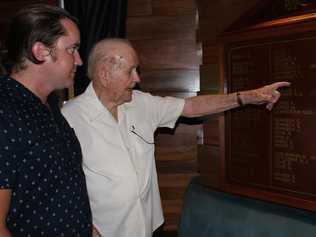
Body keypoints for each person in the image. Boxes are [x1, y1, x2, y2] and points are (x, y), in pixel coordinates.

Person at [61, 38, 290, 237]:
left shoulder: (140, 103)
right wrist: (83, 226)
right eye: (130, 70)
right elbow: (56, 187)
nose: (137, 78)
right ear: (104, 74)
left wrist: (247, 97)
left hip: (145, 229)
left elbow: (190, 107)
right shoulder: (68, 118)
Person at [0, 4, 93, 236]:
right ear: (41, 51)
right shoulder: (5, 111)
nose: (79, 61)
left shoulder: (48, 105)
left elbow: (54, 190)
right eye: (72, 49)